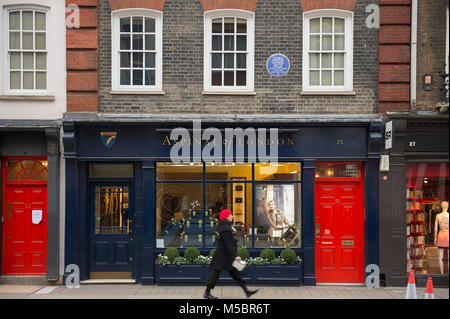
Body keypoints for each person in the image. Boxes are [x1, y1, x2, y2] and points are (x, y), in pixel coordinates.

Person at [204, 209, 259, 299]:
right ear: (226, 217)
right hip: (222, 256)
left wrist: (232, 232)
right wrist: (235, 255)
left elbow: (228, 239)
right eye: (230, 215)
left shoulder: (226, 226)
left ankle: (246, 291)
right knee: (215, 274)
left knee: (235, 274)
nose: (232, 217)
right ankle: (207, 292)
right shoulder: (225, 228)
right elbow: (228, 243)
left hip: (226, 255)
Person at [434, 201, 449, 274]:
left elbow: (435, 229)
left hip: (441, 234)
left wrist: (435, 238)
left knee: (440, 255)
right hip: (448, 234)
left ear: (441, 207)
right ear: (447, 207)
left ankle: (442, 273)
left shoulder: (438, 216)